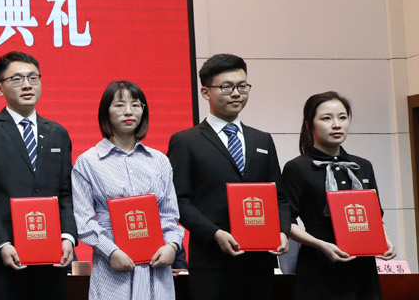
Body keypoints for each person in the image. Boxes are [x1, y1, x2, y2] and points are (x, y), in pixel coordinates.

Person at [167, 53, 290, 300]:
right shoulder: (186, 141)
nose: (236, 93)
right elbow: (178, 201)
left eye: (242, 86)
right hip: (211, 262)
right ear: (205, 92)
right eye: (226, 87)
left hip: (259, 262)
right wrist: (215, 234)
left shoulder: (262, 140)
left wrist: (283, 231)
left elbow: (280, 197)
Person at [0, 51, 76, 300]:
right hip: (6, 255)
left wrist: (68, 237)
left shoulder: (58, 133)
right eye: (17, 79)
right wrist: (1, 243)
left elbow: (67, 192)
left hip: (53, 254)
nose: (27, 85)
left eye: (33, 78)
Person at [71, 81, 183, 300]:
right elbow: (84, 220)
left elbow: (169, 215)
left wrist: (171, 245)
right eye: (120, 105)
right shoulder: (88, 162)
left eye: (136, 105)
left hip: (156, 264)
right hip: (112, 265)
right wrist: (111, 251)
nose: (129, 111)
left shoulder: (159, 160)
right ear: (106, 111)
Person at [281, 92, 397, 300]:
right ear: (309, 125)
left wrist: (385, 239)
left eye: (342, 117)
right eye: (326, 118)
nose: (337, 125)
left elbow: (374, 216)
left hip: (363, 269)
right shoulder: (297, 168)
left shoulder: (362, 165)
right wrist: (321, 245)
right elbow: (285, 221)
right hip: (319, 265)